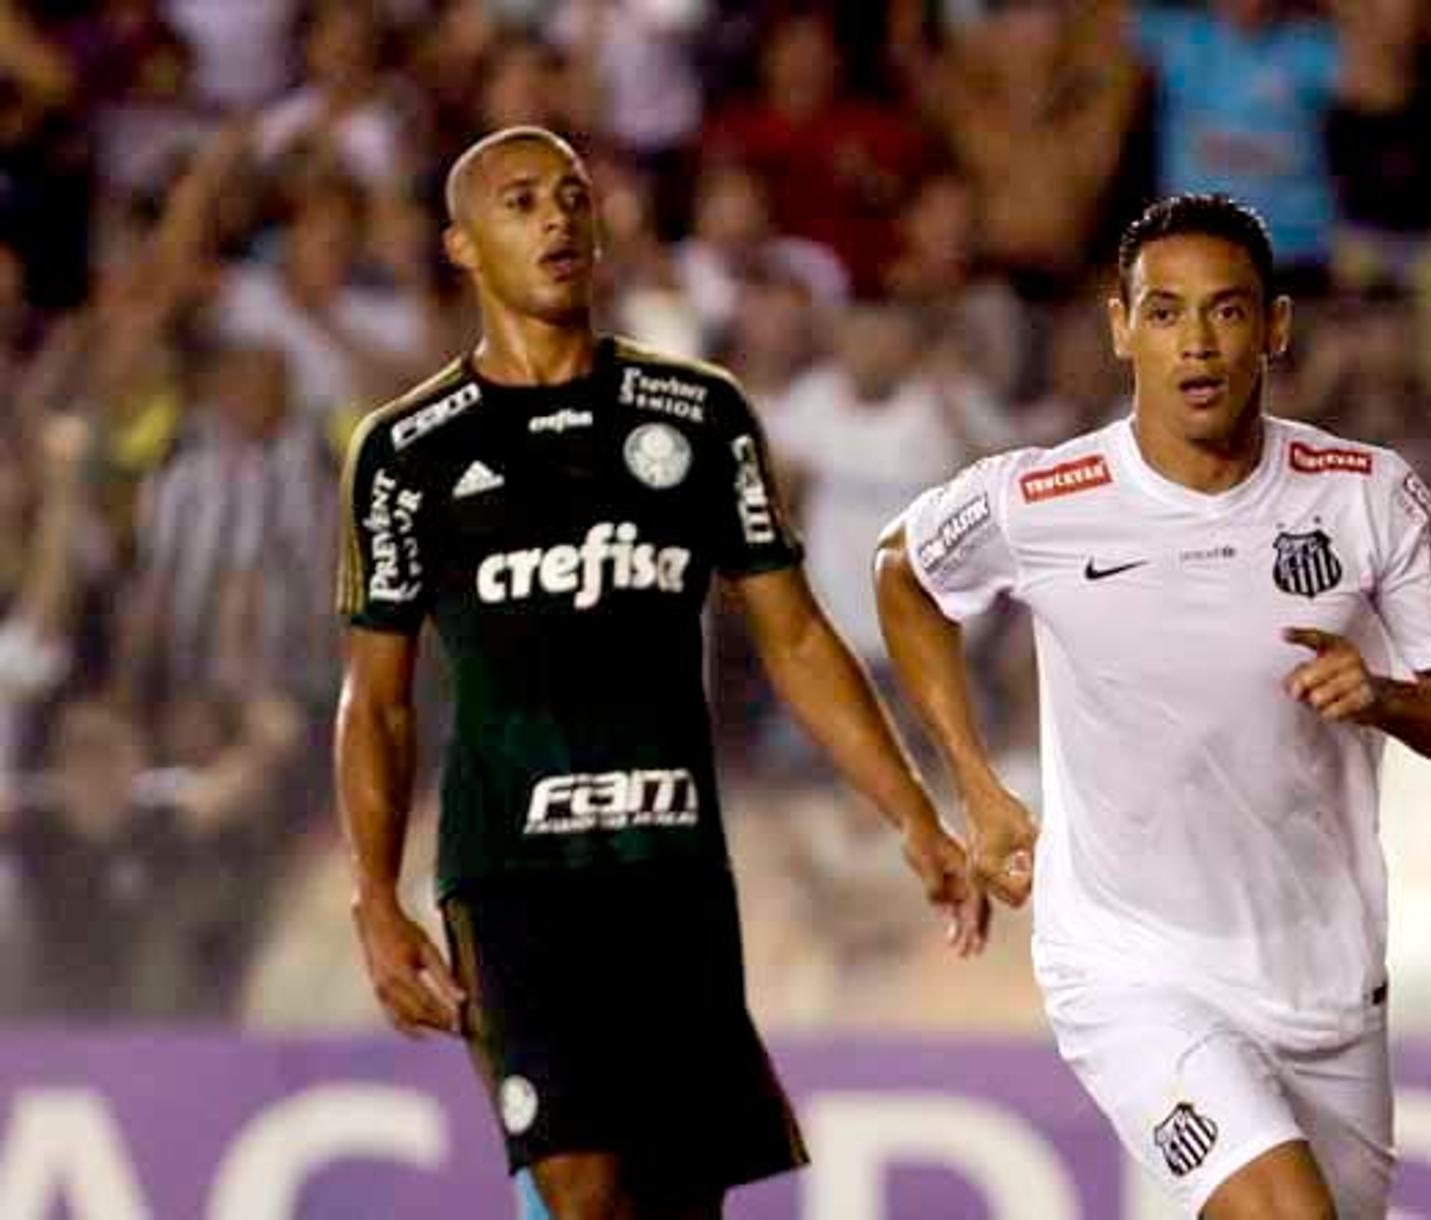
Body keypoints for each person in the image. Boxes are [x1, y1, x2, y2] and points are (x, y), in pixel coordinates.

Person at [333, 126, 985, 1220]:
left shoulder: (697, 413)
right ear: (460, 246)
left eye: (574, 196)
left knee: (676, 1201)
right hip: (512, 874)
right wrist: (373, 895)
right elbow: (379, 699)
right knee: (582, 1182)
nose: (557, 219)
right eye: (522, 201)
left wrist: (914, 815)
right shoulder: (407, 450)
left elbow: (797, 638)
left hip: (673, 869)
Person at [874, 194, 1431, 1220]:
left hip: (1326, 982)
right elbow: (902, 571)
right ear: (1121, 327)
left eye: (1225, 311)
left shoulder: (1367, 495)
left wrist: (1384, 695)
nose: (1197, 343)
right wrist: (978, 787)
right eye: (1165, 312)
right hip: (1131, 965)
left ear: (1276, 326)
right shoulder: (1045, 495)